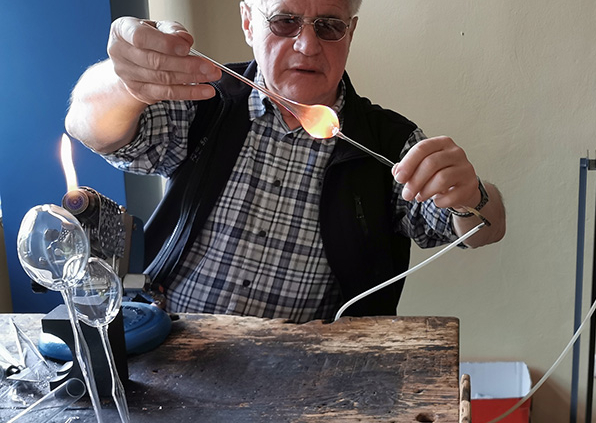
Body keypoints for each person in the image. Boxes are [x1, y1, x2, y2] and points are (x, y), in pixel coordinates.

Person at [63, 0, 506, 322]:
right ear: (248, 22)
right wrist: (127, 81)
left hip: (312, 374)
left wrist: (473, 198)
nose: (308, 45)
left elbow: (484, 227)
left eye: (329, 26)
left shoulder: (389, 140)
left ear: (350, 33)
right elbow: (88, 125)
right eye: (285, 21)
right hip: (171, 337)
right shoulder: (204, 99)